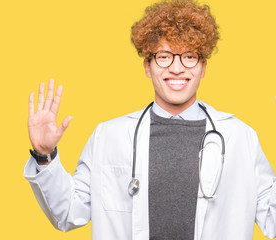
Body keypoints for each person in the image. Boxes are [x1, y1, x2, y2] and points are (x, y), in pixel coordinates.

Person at [23, 0, 276, 239]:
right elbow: (68, 213)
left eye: (189, 56)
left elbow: (272, 218)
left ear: (203, 67)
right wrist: (45, 155)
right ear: (147, 66)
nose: (177, 68)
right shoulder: (109, 136)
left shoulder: (240, 137)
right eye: (164, 56)